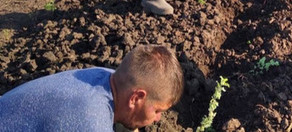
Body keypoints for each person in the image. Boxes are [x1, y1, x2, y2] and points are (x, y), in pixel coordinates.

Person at [0, 44, 184, 132]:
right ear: (135, 98)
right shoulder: (90, 120)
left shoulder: (107, 77)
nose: (158, 118)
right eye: (158, 110)